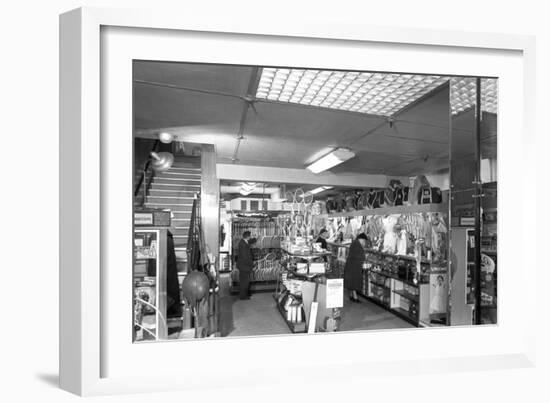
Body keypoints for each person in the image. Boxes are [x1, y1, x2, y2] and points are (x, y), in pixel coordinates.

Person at [344, 233, 368, 303]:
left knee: (352, 281)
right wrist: (364, 258)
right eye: (364, 241)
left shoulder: (355, 243)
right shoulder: (357, 244)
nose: (364, 243)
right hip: (354, 266)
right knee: (354, 281)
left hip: (352, 265)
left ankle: (352, 296)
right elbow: (359, 256)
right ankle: (355, 297)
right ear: (361, 239)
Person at [236, 230, 254, 300]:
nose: (251, 237)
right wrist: (251, 264)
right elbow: (245, 257)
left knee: (244, 281)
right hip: (244, 266)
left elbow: (249, 242)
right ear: (248, 237)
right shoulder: (243, 245)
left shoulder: (243, 242)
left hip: (243, 266)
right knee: (245, 282)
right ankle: (243, 296)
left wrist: (256, 239)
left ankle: (243, 294)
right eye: (250, 236)